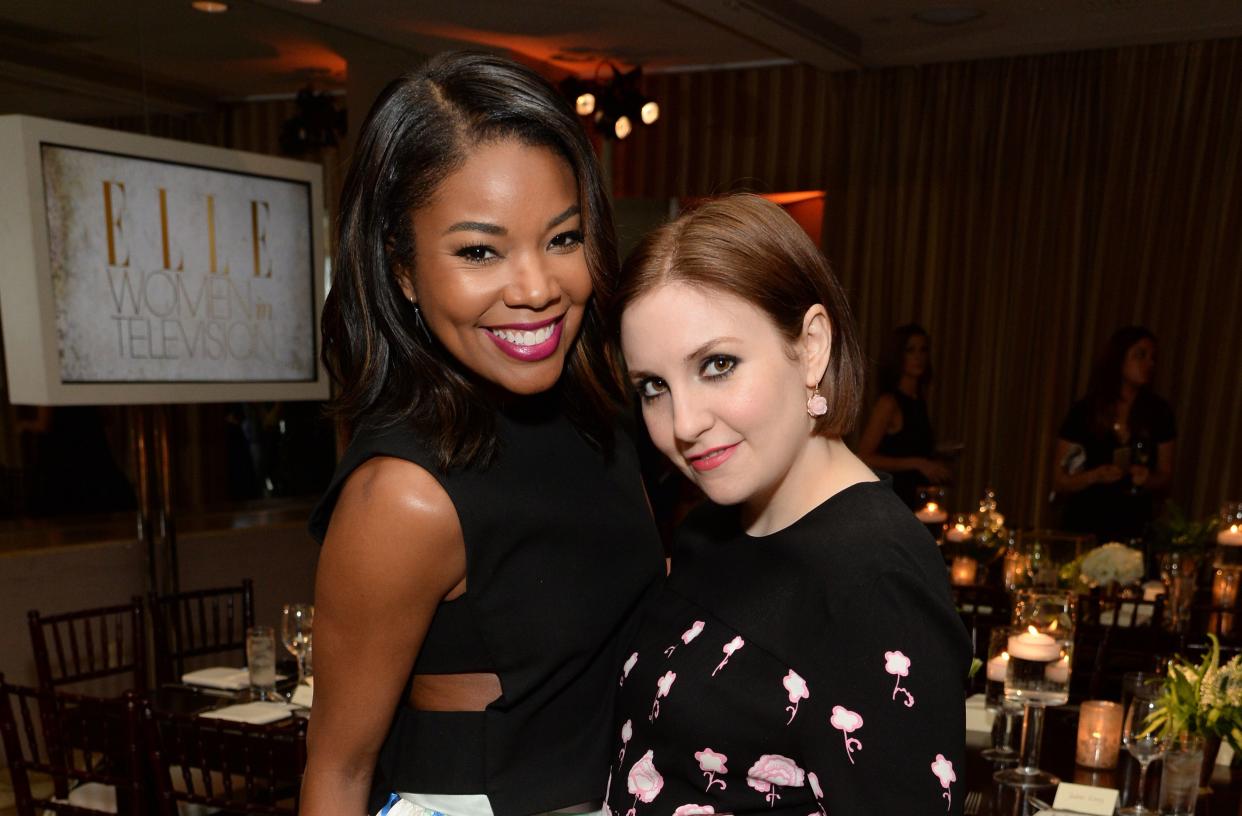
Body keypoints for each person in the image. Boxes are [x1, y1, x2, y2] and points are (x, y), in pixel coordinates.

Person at [303, 52, 665, 816]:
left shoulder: (602, 419)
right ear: (402, 271)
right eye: (479, 251)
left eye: (563, 239)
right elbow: (336, 771)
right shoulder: (403, 496)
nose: (537, 289)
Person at [603, 195, 971, 815]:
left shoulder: (875, 578)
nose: (683, 424)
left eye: (718, 365)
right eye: (653, 388)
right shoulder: (712, 528)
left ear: (812, 347)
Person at [1053, 326, 1175, 542]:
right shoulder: (1085, 412)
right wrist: (1095, 476)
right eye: (1140, 355)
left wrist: (1147, 479)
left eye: (1152, 358)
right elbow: (1061, 480)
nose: (1149, 364)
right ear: (1119, 358)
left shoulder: (1159, 413)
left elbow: (1165, 476)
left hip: (1133, 524)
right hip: (1086, 521)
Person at [857, 324, 949, 509]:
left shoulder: (918, 399)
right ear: (899, 355)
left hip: (918, 501)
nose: (918, 357)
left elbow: (907, 446)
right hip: (896, 501)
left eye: (923, 350)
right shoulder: (889, 403)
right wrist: (918, 463)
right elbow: (864, 457)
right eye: (910, 350)